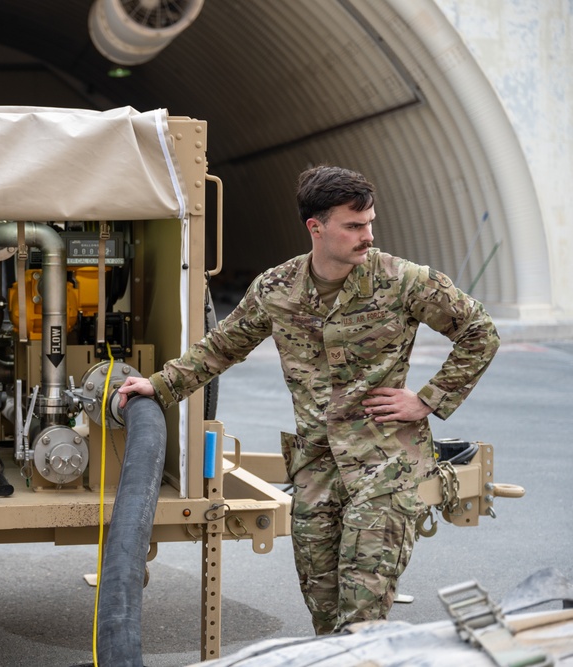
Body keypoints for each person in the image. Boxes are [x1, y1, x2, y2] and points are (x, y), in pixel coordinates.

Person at [118, 165, 499, 634]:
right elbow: (222, 347)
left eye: (370, 224)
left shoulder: (403, 281)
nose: (368, 236)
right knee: (323, 614)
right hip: (316, 466)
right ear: (315, 229)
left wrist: (426, 400)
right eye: (354, 226)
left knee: (361, 616)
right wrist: (159, 384)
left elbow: (480, 333)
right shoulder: (277, 289)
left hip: (384, 465)